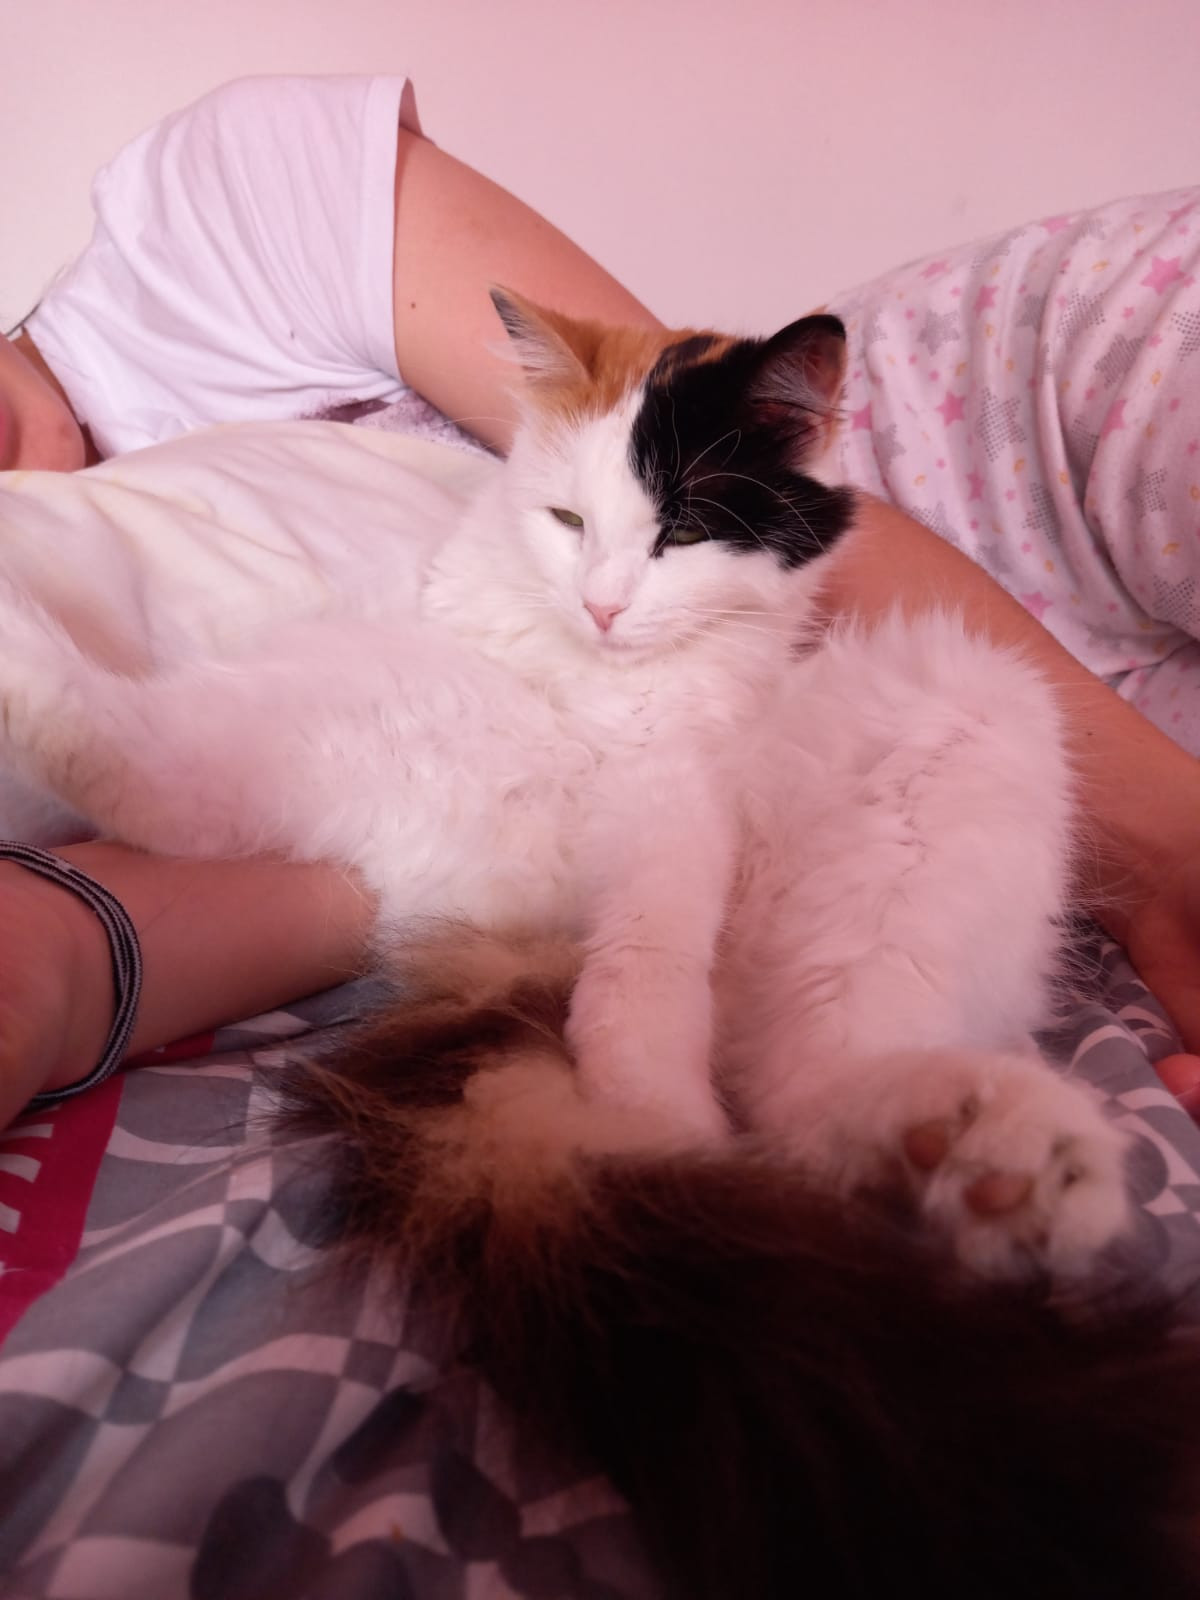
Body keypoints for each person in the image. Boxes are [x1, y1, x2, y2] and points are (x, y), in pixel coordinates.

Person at [2, 75, 1199, 1132]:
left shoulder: (210, 218)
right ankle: (858, 1110)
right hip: (583, 797)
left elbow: (684, 419)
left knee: (973, 701)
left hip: (984, 510)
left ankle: (860, 1087)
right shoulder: (94, 531)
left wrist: (1170, 852)